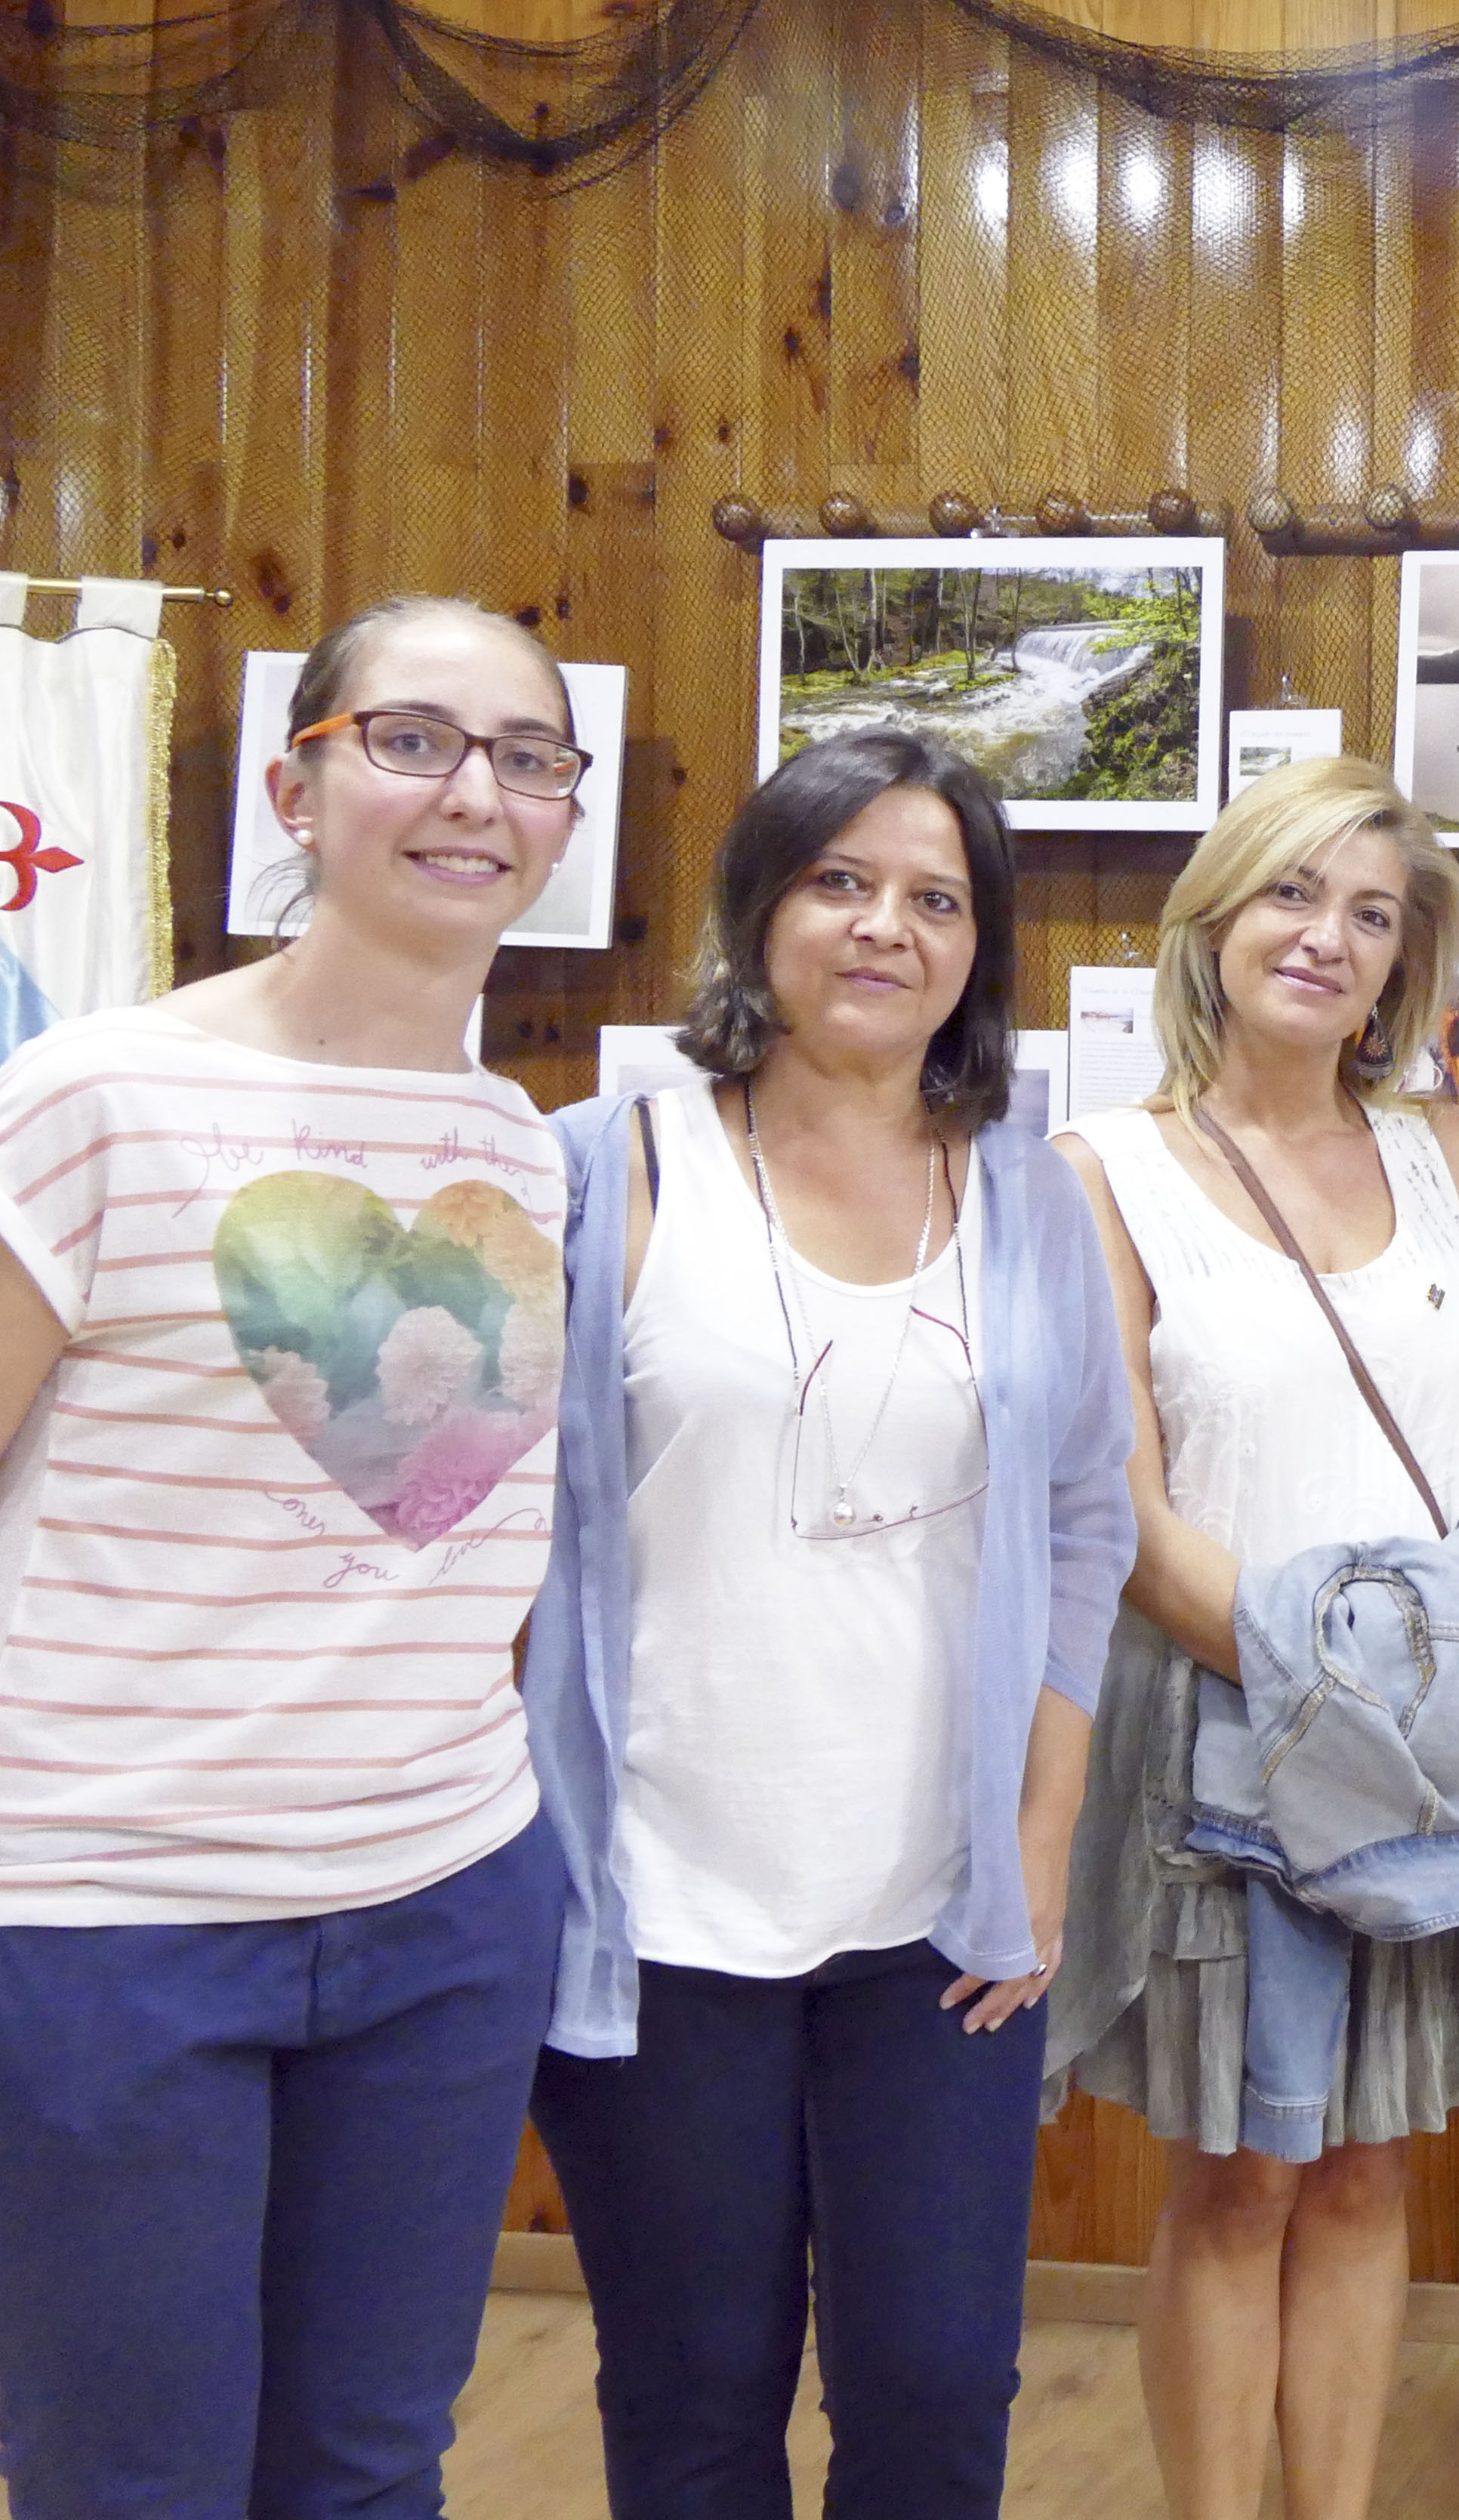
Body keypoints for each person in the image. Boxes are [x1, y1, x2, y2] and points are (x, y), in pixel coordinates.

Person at [0, 594, 585, 2512]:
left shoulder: (521, 1145)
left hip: (445, 1900)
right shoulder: (93, 1095)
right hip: (110, 1917)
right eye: (413, 740)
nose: (474, 792)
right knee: (131, 2480)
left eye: (526, 756)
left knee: (367, 2467)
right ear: (296, 788)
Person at [517, 729, 1135, 2516]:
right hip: (660, 1899)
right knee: (695, 2395)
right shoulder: (598, 1169)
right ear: (758, 909)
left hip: (934, 1917)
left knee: (937, 2390)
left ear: (978, 947)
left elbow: (1086, 1517)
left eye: (937, 899)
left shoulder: (1027, 1192)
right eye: (840, 881)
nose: (886, 928)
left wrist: (1040, 1833)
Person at [1047, 755, 1459, 2520]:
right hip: (1223, 1745)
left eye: (1370, 913)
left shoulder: (1451, 1153)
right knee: (1243, 2175)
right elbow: (1128, 1515)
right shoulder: (1103, 1169)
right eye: (1291, 893)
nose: (1325, 938)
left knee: (1361, 2168)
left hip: (1435, 1748)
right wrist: (1321, 1695)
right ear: (1214, 918)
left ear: (1404, 959)